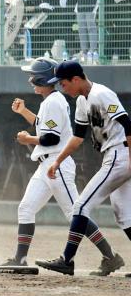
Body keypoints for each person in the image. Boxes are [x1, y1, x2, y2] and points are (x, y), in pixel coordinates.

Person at [4, 58, 122, 273]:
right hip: (47, 165)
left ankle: (110, 256)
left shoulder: (54, 101)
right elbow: (43, 126)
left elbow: (50, 139)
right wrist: (23, 112)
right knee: (26, 208)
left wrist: (28, 139)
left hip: (57, 165)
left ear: (42, 78)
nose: (31, 81)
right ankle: (20, 259)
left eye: (34, 77)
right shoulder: (51, 100)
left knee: (75, 213)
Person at [37, 60, 131, 276]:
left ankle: (66, 260)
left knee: (80, 207)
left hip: (120, 154)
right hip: (114, 155)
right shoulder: (81, 101)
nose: (62, 87)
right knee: (125, 215)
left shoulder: (101, 93)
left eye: (63, 83)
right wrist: (58, 160)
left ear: (76, 79)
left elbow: (128, 124)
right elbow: (78, 138)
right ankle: (107, 260)